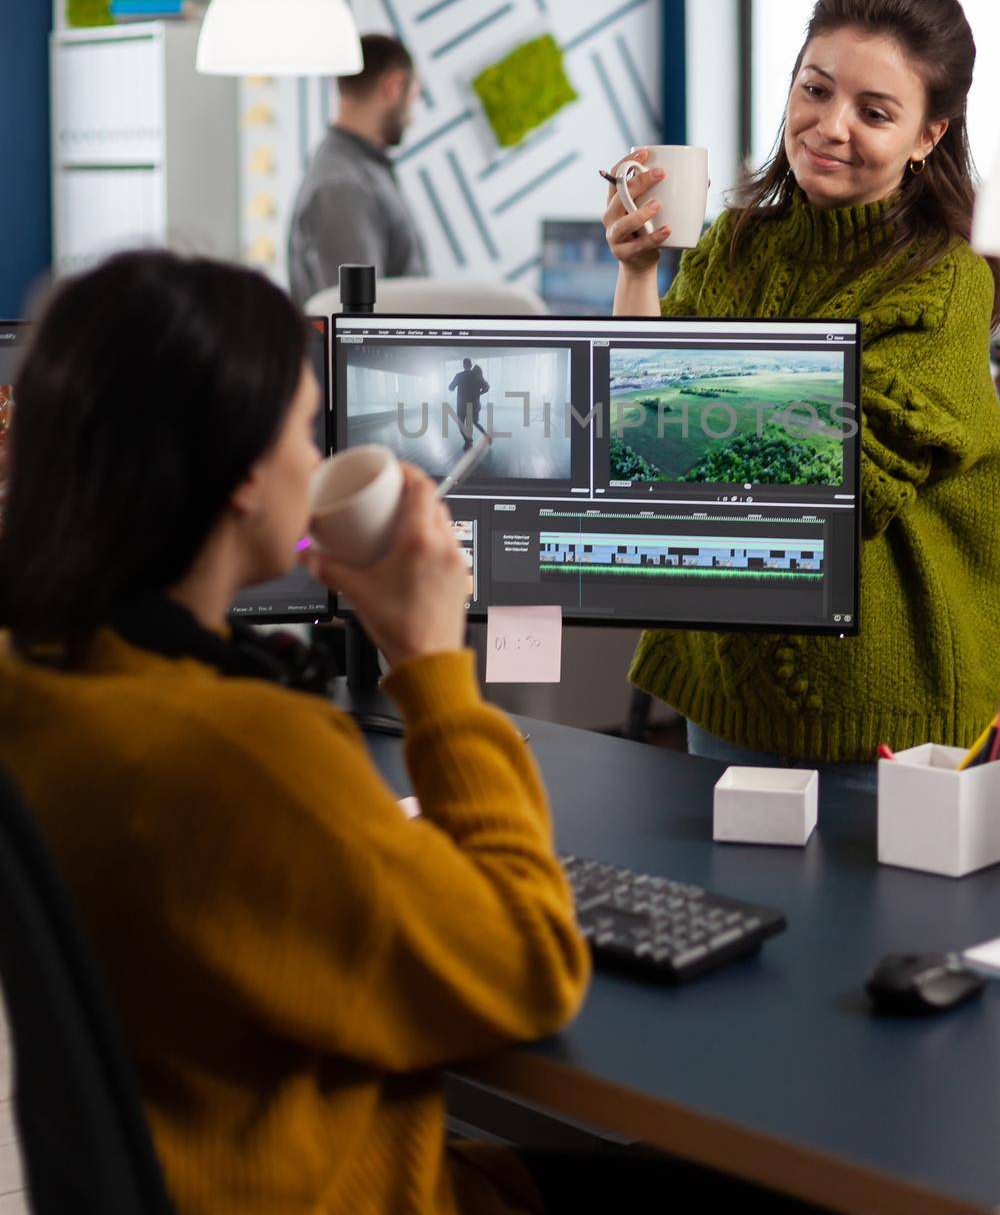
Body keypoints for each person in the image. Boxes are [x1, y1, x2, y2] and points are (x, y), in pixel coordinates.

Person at [0, 251, 828, 1215]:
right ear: (237, 475)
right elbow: (531, 970)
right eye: (304, 431)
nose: (318, 462)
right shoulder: (247, 751)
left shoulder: (41, 688)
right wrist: (430, 659)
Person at [602, 0, 1000, 778]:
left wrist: (683, 405)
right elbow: (630, 429)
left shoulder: (942, 281)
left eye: (873, 112)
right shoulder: (733, 243)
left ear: (927, 136)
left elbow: (839, 483)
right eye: (814, 90)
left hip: (881, 703)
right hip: (723, 673)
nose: (829, 127)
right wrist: (640, 273)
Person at [287, 32, 428, 307]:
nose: (411, 117)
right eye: (414, 96)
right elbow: (357, 327)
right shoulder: (343, 185)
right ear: (394, 86)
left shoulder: (358, 170)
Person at [449, 355, 490, 448]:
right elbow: (486, 388)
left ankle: (468, 440)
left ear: (463, 365)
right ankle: (472, 439)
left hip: (461, 404)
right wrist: (478, 394)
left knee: (461, 424)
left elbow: (451, 388)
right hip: (474, 404)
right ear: (471, 365)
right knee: (472, 423)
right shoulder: (476, 376)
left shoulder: (459, 376)